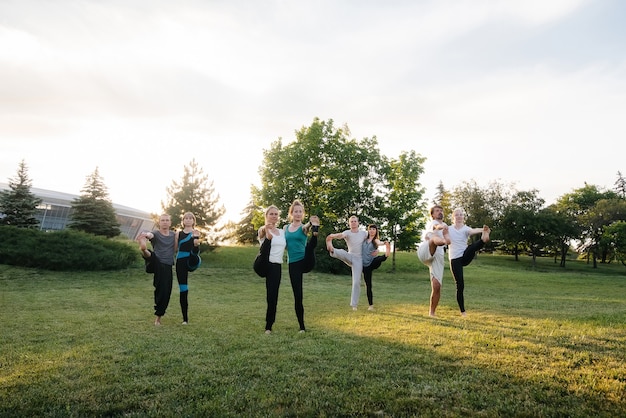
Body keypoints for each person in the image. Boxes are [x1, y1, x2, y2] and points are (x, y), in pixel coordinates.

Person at [283, 199, 319, 333]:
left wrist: (312, 223)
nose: (298, 214)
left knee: (310, 247)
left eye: (300, 212)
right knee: (298, 295)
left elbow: (306, 227)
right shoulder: (285, 228)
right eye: (296, 211)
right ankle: (302, 327)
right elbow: (284, 244)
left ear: (303, 214)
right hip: (293, 264)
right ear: (291, 213)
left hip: (306, 260)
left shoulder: (304, 227)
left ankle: (316, 231)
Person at [448, 207, 491, 316]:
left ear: (463, 217)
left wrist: (483, 230)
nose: (459, 216)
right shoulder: (449, 229)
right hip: (455, 259)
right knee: (460, 285)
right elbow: (440, 230)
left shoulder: (465, 229)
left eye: (460, 215)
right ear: (453, 217)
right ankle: (463, 312)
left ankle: (484, 238)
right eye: (456, 215)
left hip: (465, 255)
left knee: (472, 247)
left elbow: (473, 230)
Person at [137, 214, 178, 325]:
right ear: (159, 222)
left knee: (164, 292)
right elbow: (149, 235)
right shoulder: (155, 233)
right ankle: (144, 249)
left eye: (167, 220)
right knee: (150, 255)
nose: (165, 222)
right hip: (156, 262)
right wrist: (145, 236)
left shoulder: (174, 235)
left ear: (170, 222)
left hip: (167, 266)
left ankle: (145, 250)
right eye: (162, 220)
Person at [326, 215, 368, 310]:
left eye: (355, 221)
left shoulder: (363, 233)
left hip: (359, 259)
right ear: (349, 223)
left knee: (356, 281)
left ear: (358, 223)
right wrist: (332, 236)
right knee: (342, 252)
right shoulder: (347, 232)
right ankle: (332, 249)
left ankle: (354, 305)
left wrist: (381, 244)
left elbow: (372, 240)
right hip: (350, 256)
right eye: (351, 221)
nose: (353, 223)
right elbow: (341, 235)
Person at [416, 205, 451, 317]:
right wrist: (440, 228)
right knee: (433, 240)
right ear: (432, 215)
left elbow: (450, 236)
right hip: (426, 250)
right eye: (437, 211)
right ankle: (440, 241)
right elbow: (436, 226)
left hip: (438, 255)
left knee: (437, 286)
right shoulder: (433, 223)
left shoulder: (446, 226)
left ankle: (432, 312)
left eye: (441, 210)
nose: (440, 212)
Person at [257, 205, 286, 334]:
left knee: (273, 296)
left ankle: (270, 323)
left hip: (277, 266)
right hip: (267, 264)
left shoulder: (282, 232)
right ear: (266, 216)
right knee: (270, 295)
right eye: (271, 214)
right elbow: (265, 240)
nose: (274, 216)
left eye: (276, 214)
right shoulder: (262, 230)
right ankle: (268, 327)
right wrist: (268, 229)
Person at [175, 212, 201, 325]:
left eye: (191, 218)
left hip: (191, 260)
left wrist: (196, 240)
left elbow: (196, 250)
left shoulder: (196, 232)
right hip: (180, 262)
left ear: (193, 221)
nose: (188, 220)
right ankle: (185, 319)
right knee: (183, 289)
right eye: (186, 218)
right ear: (183, 220)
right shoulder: (178, 233)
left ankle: (185, 319)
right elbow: (175, 249)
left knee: (195, 252)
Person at [361, 224, 391, 311]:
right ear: (368, 230)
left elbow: (380, 243)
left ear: (376, 231)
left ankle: (386, 256)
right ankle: (370, 306)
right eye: (370, 229)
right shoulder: (364, 239)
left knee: (378, 259)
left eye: (374, 229)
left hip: (372, 263)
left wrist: (385, 244)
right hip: (364, 266)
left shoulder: (376, 241)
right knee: (368, 285)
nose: (372, 231)